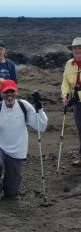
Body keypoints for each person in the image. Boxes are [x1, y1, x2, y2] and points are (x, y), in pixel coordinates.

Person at [0, 80, 47, 200]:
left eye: (12, 91)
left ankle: (8, 187)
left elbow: (41, 127)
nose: (9, 94)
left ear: (16, 92)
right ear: (2, 93)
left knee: (11, 193)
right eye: (6, 91)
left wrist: (39, 108)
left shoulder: (24, 106)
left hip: (16, 150)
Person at [61, 37, 81, 167]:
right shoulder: (69, 64)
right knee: (80, 128)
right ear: (72, 51)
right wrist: (64, 95)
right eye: (75, 49)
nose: (78, 52)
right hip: (76, 102)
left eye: (80, 49)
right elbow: (66, 82)